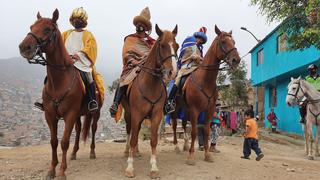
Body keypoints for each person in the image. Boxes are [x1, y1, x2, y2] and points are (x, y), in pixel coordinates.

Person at [34, 7, 99, 112]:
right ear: (72, 21)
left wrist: (79, 55)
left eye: (79, 20)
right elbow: (58, 46)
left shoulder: (88, 35)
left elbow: (90, 48)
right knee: (49, 77)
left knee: (89, 77)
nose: (76, 21)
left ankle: (92, 101)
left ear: (83, 22)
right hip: (64, 62)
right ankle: (44, 100)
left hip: (81, 63)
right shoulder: (65, 34)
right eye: (75, 19)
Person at [109, 7, 156, 117]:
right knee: (123, 81)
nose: (140, 25)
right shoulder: (129, 38)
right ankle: (115, 103)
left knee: (160, 81)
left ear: (146, 27)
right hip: (133, 67)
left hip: (148, 67)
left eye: (142, 24)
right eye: (139, 23)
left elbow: (154, 56)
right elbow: (126, 54)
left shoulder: (152, 42)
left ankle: (164, 104)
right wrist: (134, 61)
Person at [164, 27, 208, 114]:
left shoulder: (200, 49)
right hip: (186, 67)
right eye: (199, 38)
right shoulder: (189, 44)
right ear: (196, 37)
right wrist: (192, 57)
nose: (200, 41)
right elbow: (184, 57)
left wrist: (201, 60)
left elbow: (200, 61)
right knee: (178, 79)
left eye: (202, 40)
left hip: (196, 68)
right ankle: (170, 101)